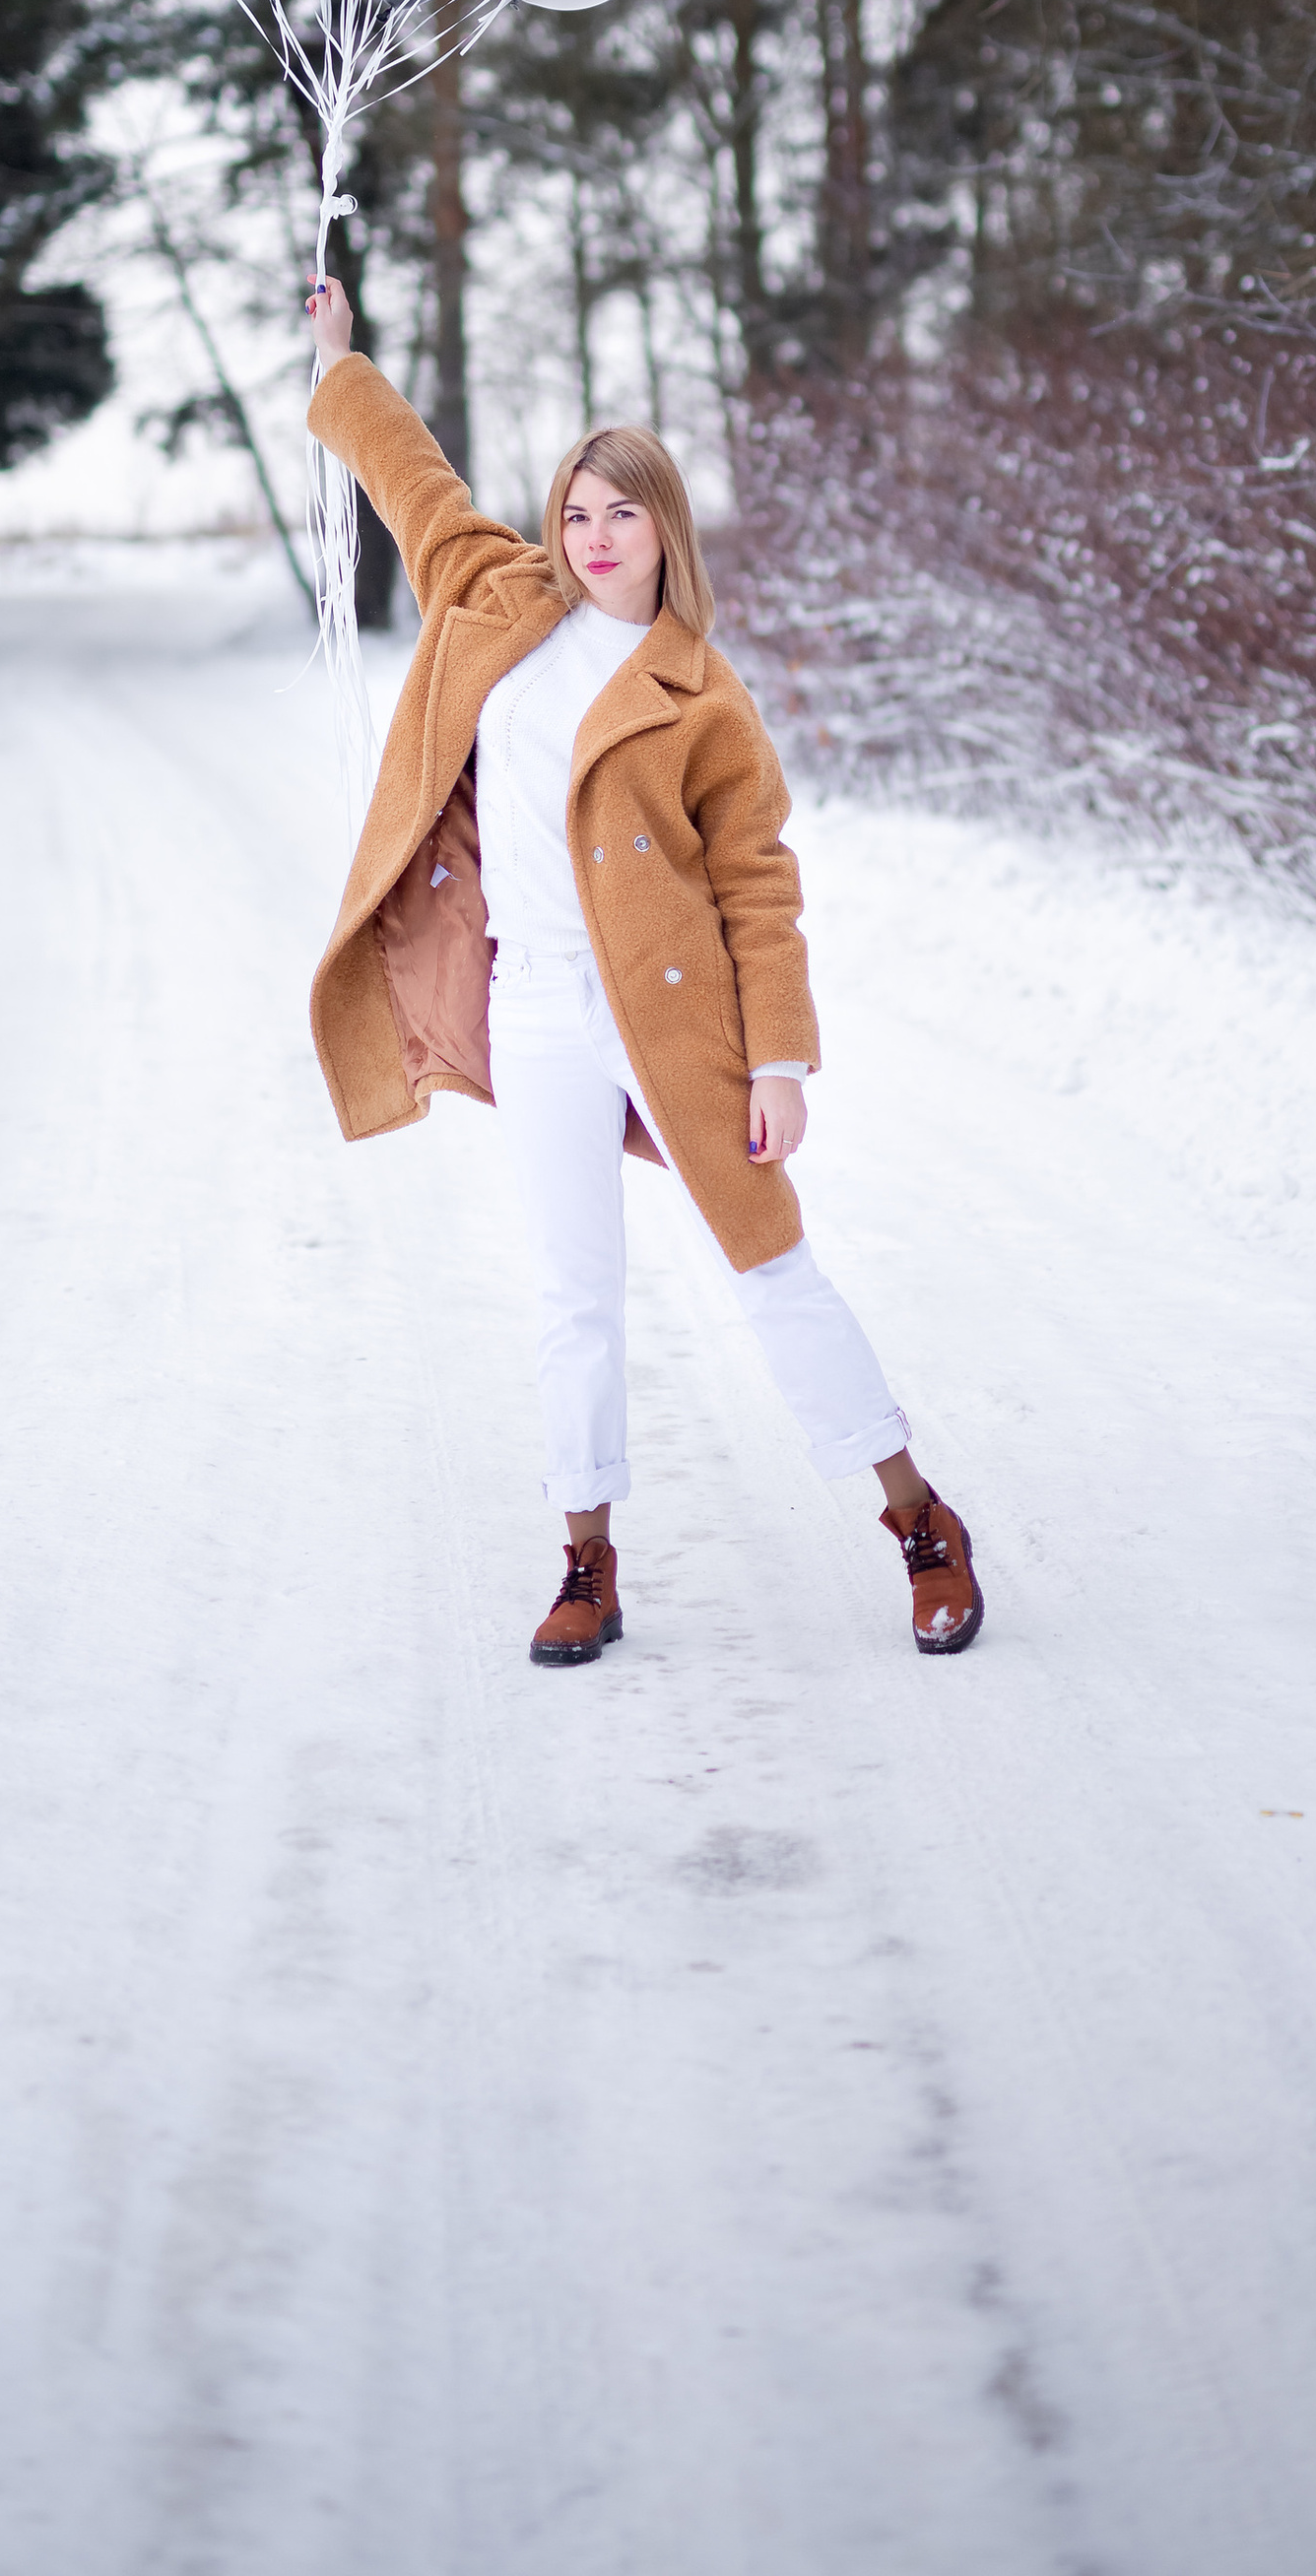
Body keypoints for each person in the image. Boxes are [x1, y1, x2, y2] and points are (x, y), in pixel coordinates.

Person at [299, 280, 983, 1667]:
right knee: (572, 1294)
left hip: (673, 1020)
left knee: (770, 1267)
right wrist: (339, 361)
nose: (594, 538)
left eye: (622, 513)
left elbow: (757, 883)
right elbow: (410, 477)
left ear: (666, 527)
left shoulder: (702, 693)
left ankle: (918, 1522)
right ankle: (586, 1563)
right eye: (576, 512)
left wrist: (781, 1061)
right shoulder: (497, 598)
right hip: (536, 1002)